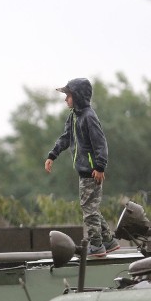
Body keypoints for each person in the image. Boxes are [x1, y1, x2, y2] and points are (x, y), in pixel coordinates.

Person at [45, 78, 120, 257]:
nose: (65, 99)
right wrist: (52, 155)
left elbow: (100, 143)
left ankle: (96, 245)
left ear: (77, 97)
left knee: (89, 210)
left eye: (68, 96)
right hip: (85, 171)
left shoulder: (88, 117)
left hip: (91, 172)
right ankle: (108, 240)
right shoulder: (74, 116)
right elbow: (65, 137)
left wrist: (100, 167)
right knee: (91, 207)